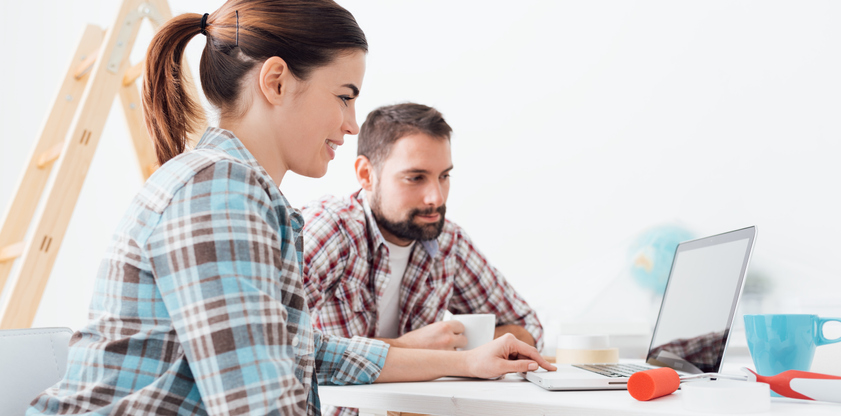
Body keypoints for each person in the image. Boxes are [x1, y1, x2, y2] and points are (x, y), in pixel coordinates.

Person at [26, 1, 554, 415]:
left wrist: (464, 361)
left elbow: (308, 351)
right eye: (344, 96)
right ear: (276, 81)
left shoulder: (241, 192)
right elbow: (258, 405)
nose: (352, 125)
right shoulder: (218, 194)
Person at [302, 103, 544, 354]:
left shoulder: (449, 242)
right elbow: (269, 339)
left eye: (444, 176)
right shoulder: (329, 230)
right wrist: (408, 348)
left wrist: (461, 346)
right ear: (366, 175)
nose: (436, 199)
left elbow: (527, 328)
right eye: (416, 178)